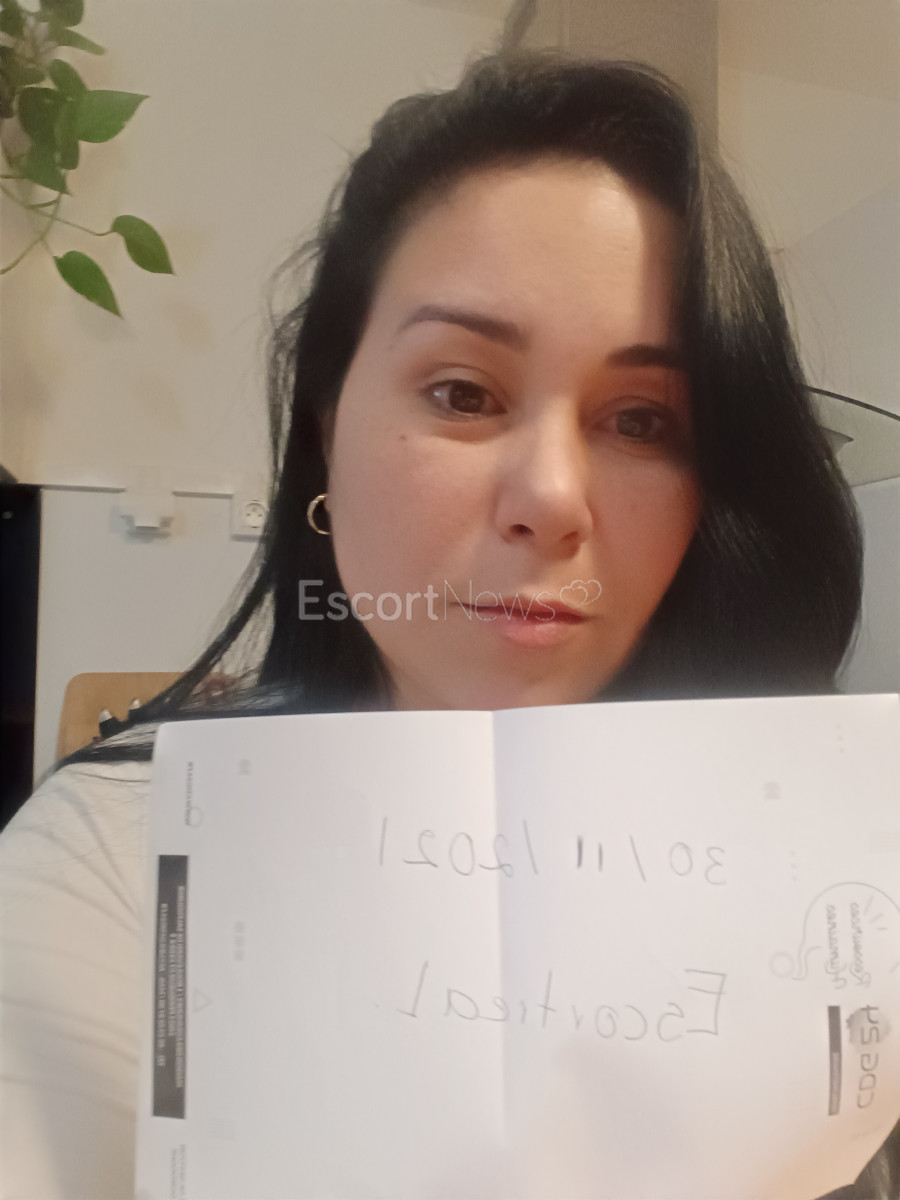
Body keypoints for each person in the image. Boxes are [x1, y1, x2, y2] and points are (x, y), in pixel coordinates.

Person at [0, 47, 891, 1199]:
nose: (552, 498)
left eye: (641, 420)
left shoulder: (830, 878)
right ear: (326, 423)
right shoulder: (118, 864)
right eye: (464, 393)